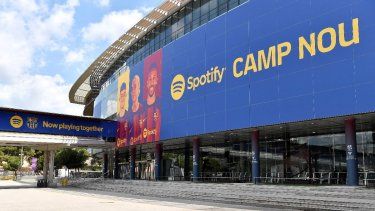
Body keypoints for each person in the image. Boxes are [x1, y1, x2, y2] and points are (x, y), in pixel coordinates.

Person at [144, 65, 161, 142]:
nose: (151, 82)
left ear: (157, 80)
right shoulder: (141, 108)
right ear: (147, 82)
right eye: (150, 79)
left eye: (154, 78)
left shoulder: (161, 105)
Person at [130, 75, 145, 145]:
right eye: (131, 88)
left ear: (139, 90)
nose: (133, 91)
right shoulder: (128, 114)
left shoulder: (143, 111)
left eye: (135, 87)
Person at [117, 82, 130, 147]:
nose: (122, 98)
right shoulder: (117, 118)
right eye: (121, 95)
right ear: (119, 98)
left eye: (124, 95)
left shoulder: (129, 115)